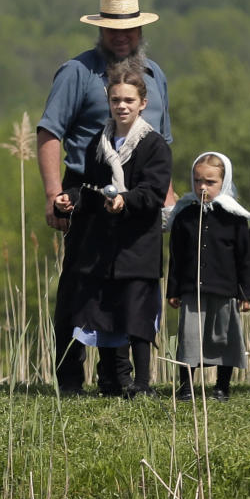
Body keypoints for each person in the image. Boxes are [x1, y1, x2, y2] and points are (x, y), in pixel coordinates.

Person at [37, 0, 172, 395]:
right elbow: (49, 131)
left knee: (127, 289)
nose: (121, 35)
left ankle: (117, 380)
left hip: (138, 202)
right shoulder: (77, 72)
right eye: (113, 27)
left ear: (140, 30)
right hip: (87, 194)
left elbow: (162, 141)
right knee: (81, 289)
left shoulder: (155, 76)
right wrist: (53, 194)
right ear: (101, 28)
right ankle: (69, 380)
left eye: (129, 28)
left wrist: (166, 199)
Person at [53, 69, 171, 398]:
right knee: (106, 313)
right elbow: (86, 188)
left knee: (137, 315)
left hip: (138, 246)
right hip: (103, 245)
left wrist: (125, 200)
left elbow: (153, 193)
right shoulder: (98, 143)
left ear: (143, 103)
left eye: (129, 100)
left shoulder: (154, 145)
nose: (122, 106)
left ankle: (143, 384)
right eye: (116, 99)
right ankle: (111, 382)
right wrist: (70, 200)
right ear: (108, 101)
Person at [166, 152, 250, 402]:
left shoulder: (235, 218)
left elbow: (246, 259)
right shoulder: (184, 216)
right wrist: (173, 289)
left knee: (224, 337)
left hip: (226, 289)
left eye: (210, 182)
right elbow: (176, 256)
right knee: (189, 339)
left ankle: (222, 387)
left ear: (224, 182)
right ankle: (186, 387)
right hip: (191, 290)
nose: (202, 187)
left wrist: (247, 293)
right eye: (197, 181)